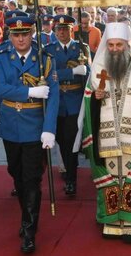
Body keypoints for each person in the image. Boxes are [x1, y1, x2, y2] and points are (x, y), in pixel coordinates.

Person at [85, 22, 131, 244]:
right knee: (111, 179)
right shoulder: (98, 68)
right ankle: (112, 221)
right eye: (111, 45)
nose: (115, 48)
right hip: (106, 136)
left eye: (119, 44)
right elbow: (88, 103)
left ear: (127, 45)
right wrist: (95, 99)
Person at [0, 15, 58, 253]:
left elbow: (54, 96)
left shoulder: (45, 59)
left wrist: (49, 128)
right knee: (16, 174)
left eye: (25, 34)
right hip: (11, 125)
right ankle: (26, 216)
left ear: (32, 34)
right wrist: (30, 90)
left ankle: (29, 229)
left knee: (31, 178)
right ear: (10, 36)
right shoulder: (1, 57)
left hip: (34, 127)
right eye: (16, 35)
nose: (21, 39)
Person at [43, 15, 88, 197]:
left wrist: (85, 71)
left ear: (72, 30)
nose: (62, 32)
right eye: (59, 29)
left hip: (75, 100)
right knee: (62, 140)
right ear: (54, 31)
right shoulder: (48, 50)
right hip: (57, 101)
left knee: (71, 141)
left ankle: (71, 179)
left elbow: (88, 73)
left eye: (65, 29)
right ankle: (69, 171)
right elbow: (48, 74)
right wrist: (71, 71)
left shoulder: (81, 48)